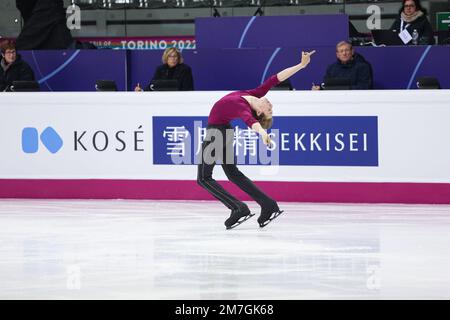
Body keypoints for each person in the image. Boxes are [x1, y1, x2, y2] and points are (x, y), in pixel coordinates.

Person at [197, 50, 315, 230]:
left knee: (204, 178)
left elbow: (250, 122)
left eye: (269, 110)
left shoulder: (243, 107)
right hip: (224, 131)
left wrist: (262, 133)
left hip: (216, 133)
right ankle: (268, 205)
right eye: (271, 108)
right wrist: (301, 65)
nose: (271, 106)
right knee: (232, 173)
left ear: (260, 111)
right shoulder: (254, 93)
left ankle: (238, 208)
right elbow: (276, 79)